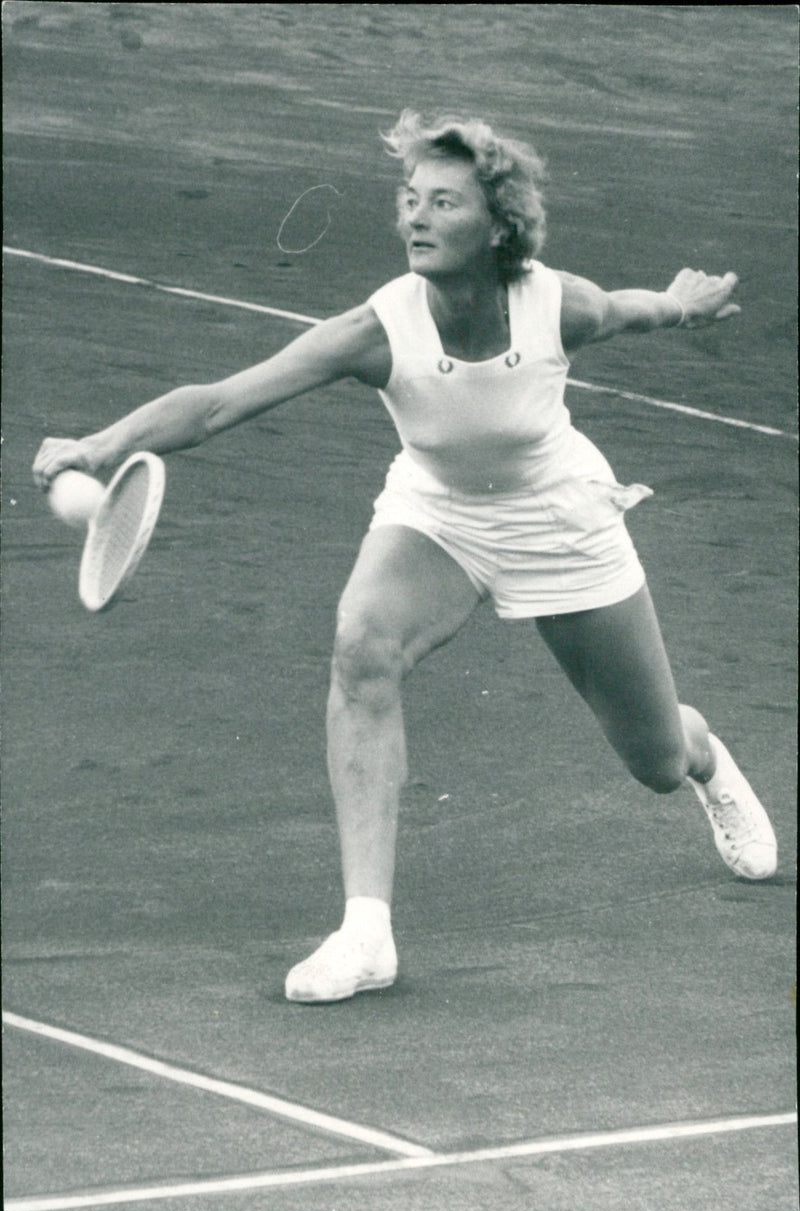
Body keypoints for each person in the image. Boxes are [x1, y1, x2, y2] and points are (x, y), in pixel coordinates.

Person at [33, 110, 778, 1004]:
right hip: (438, 514)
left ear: (498, 226)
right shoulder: (379, 328)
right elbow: (220, 401)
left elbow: (632, 310)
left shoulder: (558, 304)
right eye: (410, 197)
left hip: (560, 519)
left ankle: (703, 754)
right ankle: (366, 932)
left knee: (654, 759)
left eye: (444, 202)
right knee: (362, 643)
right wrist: (101, 444)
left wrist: (684, 302)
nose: (416, 216)